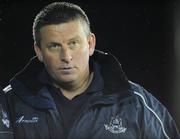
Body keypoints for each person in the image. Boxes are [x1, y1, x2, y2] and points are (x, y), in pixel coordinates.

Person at [2, 2, 179, 139]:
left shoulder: (137, 104)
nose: (67, 56)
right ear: (39, 51)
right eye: (55, 46)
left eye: (73, 44)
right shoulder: (9, 103)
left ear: (90, 43)